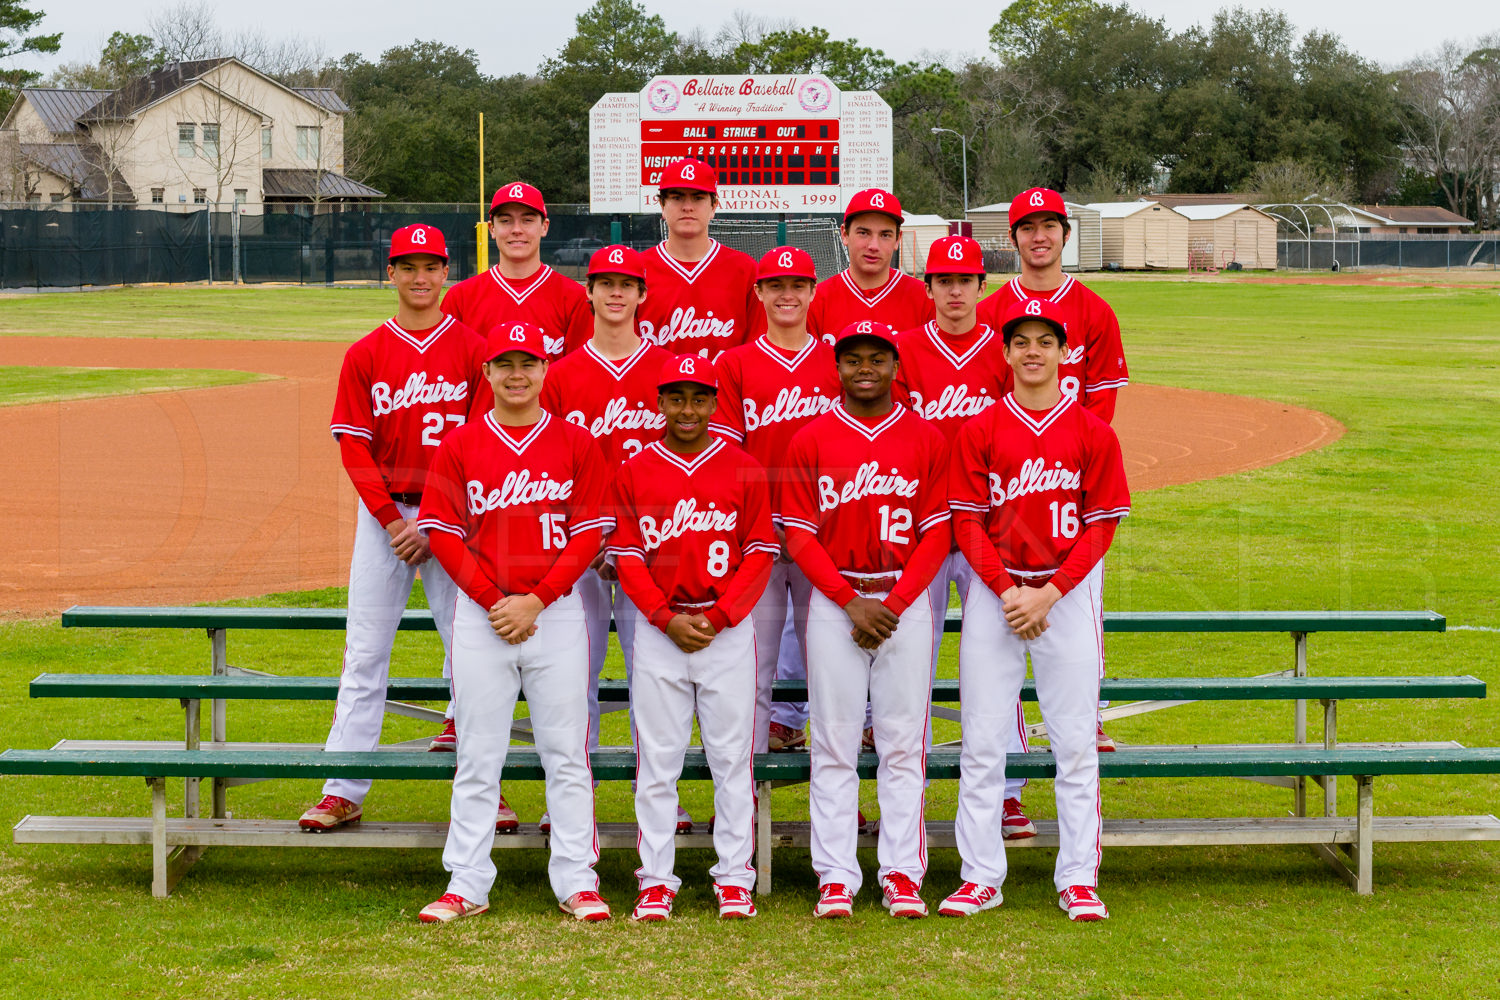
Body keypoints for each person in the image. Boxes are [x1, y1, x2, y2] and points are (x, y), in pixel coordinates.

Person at [414, 320, 613, 923]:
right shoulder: (461, 443)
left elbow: (588, 536)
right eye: (505, 364)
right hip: (483, 616)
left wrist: (539, 598)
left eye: (528, 363)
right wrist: (492, 598)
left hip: (556, 613)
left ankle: (578, 879)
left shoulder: (577, 442)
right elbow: (443, 534)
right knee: (478, 754)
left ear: (546, 369)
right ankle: (467, 882)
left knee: (566, 755)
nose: (517, 374)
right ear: (487, 373)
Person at [940, 297, 1130, 922]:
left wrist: (1048, 593)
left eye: (1044, 341)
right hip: (997, 600)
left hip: (1065, 598)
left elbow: (1100, 529)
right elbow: (967, 524)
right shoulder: (980, 429)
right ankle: (980, 875)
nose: (1032, 351)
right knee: (983, 744)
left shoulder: (1092, 432)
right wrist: (1006, 591)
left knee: (1075, 744)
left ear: (1064, 353)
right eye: (1020, 341)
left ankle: (1078, 877)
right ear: (1004, 353)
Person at [300, 223, 488, 833]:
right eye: (407, 266)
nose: (419, 277)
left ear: (445, 273)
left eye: (430, 266)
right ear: (390, 274)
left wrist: (434, 521)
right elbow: (356, 450)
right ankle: (343, 786)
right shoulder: (366, 353)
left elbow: (485, 445)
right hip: (384, 520)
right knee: (365, 652)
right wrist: (391, 520)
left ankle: (483, 787)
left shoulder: (473, 349)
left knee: (470, 653)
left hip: (456, 519)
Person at [778, 321, 951, 919]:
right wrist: (851, 602)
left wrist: (896, 604)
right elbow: (799, 534)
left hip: (905, 603)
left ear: (896, 366)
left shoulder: (926, 438)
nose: (866, 368)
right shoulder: (812, 438)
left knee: (904, 744)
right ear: (839, 367)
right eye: (854, 358)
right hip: (835, 604)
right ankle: (835, 875)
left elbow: (938, 533)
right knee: (834, 743)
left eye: (878, 357)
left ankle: (902, 872)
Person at [608, 355, 778, 920]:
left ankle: (734, 874)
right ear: (659, 402)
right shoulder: (634, 469)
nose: (687, 409)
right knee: (657, 760)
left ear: (713, 403)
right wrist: (662, 617)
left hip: (725, 632)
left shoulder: (743, 466)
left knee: (733, 760)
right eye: (676, 398)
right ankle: (656, 877)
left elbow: (760, 553)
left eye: (698, 398)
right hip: (661, 630)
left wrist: (725, 614)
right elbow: (627, 556)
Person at [539, 245, 689, 833]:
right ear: (591, 294)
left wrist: (626, 541)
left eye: (628, 284)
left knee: (653, 680)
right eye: (606, 284)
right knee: (574, 680)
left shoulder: (670, 370)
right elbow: (547, 469)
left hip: (652, 548)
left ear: (643, 295)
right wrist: (594, 539)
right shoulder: (563, 374)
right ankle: (569, 803)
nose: (617, 294)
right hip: (578, 552)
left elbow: (685, 465)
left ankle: (663, 799)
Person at [892, 234, 1037, 841]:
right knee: (907, 664)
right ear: (927, 289)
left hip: (985, 525)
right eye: (943, 281)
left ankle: (1006, 793)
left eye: (966, 280)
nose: (955, 291)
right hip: (920, 526)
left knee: (995, 664)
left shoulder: (1002, 354)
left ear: (983, 287)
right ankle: (908, 796)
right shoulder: (902, 351)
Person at [975, 187, 1130, 750]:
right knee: (1001, 631)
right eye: (1027, 227)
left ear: (1066, 234)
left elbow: (1103, 404)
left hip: (1073, 489)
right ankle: (1012, 756)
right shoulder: (990, 312)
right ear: (1013, 237)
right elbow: (987, 403)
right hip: (1008, 492)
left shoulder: (1094, 311)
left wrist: (1067, 463)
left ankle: (1085, 715)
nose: (1039, 236)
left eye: (1049, 225)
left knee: (1081, 609)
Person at [711, 246, 840, 756]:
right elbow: (726, 461)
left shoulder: (838, 361)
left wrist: (808, 528)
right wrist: (770, 525)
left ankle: (835, 811)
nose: (787, 294)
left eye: (798, 286)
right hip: (759, 541)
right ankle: (743, 806)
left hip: (826, 538)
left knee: (831, 675)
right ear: (759, 293)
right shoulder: (735, 363)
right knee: (751, 674)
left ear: (812, 292)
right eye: (776, 286)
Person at [439, 181, 593, 361]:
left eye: (527, 220)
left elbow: (582, 375)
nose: (517, 230)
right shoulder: (460, 298)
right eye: (506, 221)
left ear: (544, 226)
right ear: (492, 228)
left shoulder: (575, 298)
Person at [636, 158, 764, 359]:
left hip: (724, 390)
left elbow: (756, 354)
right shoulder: (635, 270)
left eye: (697, 198)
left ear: (714, 205)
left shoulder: (745, 270)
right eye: (677, 197)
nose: (687, 207)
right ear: (662, 204)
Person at [807, 188, 934, 342]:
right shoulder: (815, 301)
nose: (874, 245)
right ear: (845, 234)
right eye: (863, 233)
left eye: (885, 235)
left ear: (897, 239)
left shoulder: (926, 299)